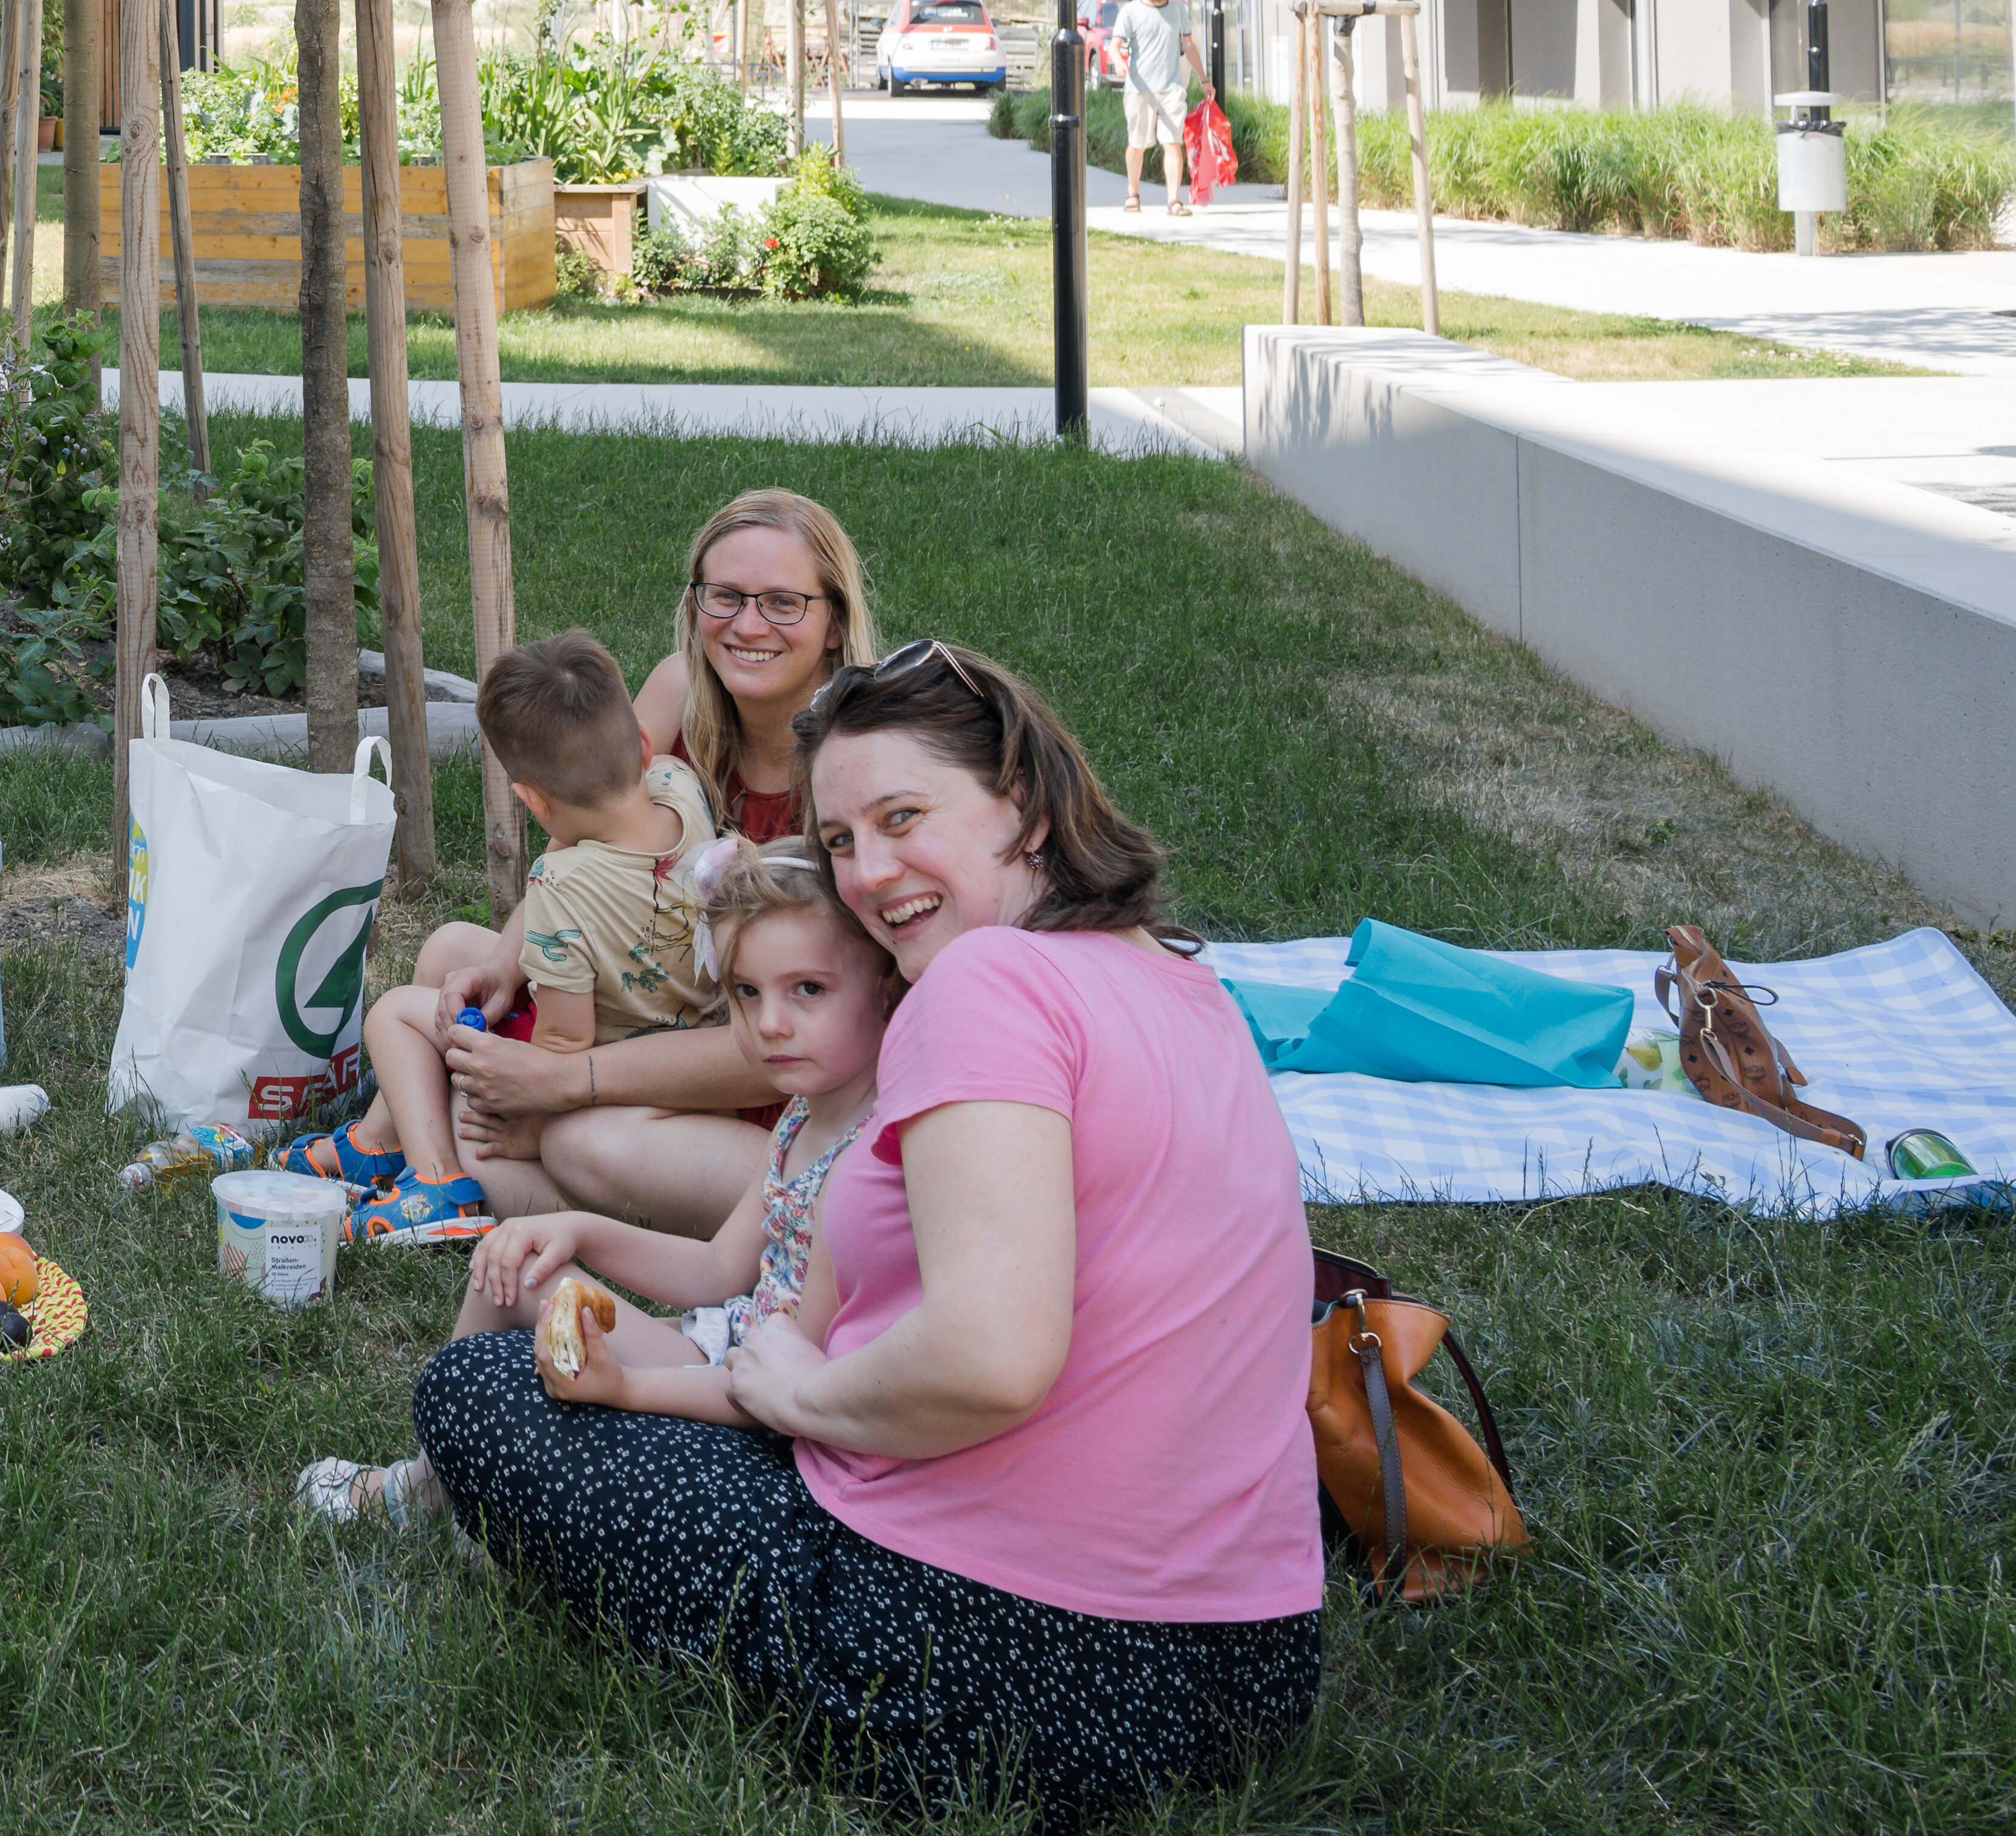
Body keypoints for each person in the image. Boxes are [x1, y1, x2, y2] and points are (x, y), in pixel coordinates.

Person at [396, 640, 1322, 1826]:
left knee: (479, 1389)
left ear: (1026, 805)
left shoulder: (982, 984)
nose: (872, 873)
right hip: (1250, 1670)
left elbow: (989, 1357)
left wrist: (798, 1395)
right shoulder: (1188, 988)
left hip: (1002, 1665)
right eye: (841, 841)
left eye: (903, 817)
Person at [305, 850, 900, 1512]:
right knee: (522, 1267)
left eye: (808, 989)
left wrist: (625, 1387)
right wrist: (576, 1229)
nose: (770, 1024)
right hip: (724, 1349)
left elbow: (788, 1395)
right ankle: (434, 1481)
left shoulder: (862, 1158)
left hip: (760, 1420)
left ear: (886, 985)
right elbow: (715, 1266)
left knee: (541, 1324)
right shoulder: (805, 1115)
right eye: (747, 993)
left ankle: (422, 1493)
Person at [387, 490, 882, 1236]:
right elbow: (577, 846)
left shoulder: (855, 771)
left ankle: (497, 1173)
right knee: (454, 953)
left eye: (784, 603)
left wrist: (563, 1083)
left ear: (836, 620)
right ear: (695, 601)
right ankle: (458, 1160)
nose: (749, 625)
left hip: (789, 1090)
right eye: (727, 596)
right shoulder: (681, 691)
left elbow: (789, 1043)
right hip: (679, 1009)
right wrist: (503, 965)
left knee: (573, 1136)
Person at [305, 635, 718, 1244]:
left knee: (394, 1014)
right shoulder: (679, 783)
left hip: (607, 1060)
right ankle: (378, 1143)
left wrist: (523, 1113)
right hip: (675, 1019)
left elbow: (563, 1039)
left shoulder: (562, 887)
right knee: (450, 944)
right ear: (643, 744)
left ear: (530, 799)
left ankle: (437, 1184)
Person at [1119, 0, 1202, 216]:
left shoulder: (1178, 11)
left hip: (1171, 89)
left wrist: (1205, 79)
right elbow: (1116, 45)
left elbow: (1188, 45)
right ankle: (1133, 194)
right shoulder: (1131, 11)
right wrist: (1118, 62)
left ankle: (1174, 201)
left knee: (1173, 144)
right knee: (1137, 144)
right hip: (1139, 89)